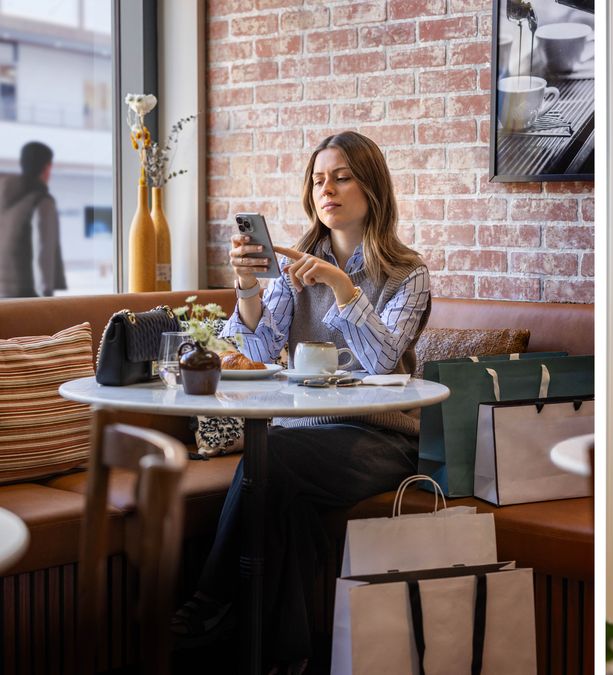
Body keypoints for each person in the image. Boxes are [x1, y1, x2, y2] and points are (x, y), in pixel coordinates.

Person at [170, 131, 431, 673]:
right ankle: (288, 658)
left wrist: (342, 288)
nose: (326, 190)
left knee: (272, 460)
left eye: (342, 178)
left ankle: (210, 598)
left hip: (383, 438)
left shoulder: (408, 273)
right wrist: (246, 287)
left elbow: (382, 361)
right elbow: (256, 351)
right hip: (309, 435)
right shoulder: (295, 266)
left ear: (372, 187)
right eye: (317, 181)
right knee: (283, 503)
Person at [0, 141, 66, 297]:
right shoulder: (42, 201)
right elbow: (44, 253)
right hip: (26, 296)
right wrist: (47, 296)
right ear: (47, 167)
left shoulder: (5, 198)